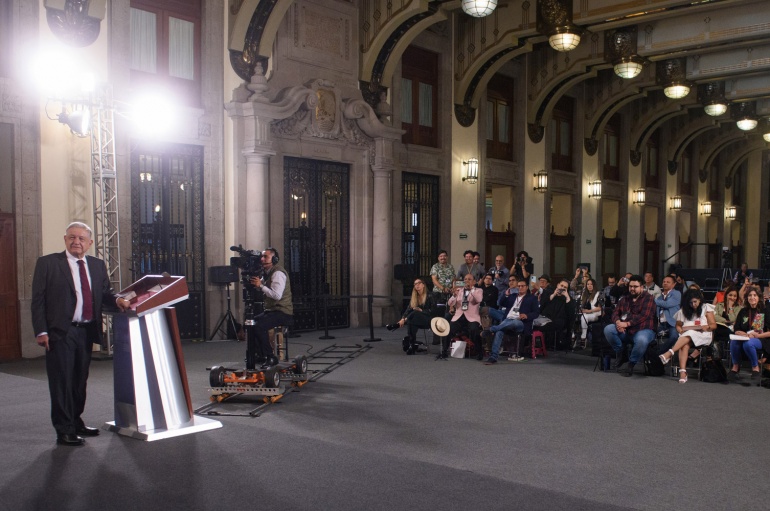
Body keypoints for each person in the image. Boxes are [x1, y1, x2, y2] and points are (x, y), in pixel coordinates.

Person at [31, 222, 131, 447]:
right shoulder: (48, 263)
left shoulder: (96, 265)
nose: (76, 242)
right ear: (65, 239)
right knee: (62, 382)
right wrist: (41, 330)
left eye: (81, 239)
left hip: (86, 332)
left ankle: (76, 422)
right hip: (60, 333)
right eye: (72, 237)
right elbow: (37, 300)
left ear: (90, 243)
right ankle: (64, 430)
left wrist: (118, 300)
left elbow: (105, 293)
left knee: (78, 381)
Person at [603, 274, 656, 377]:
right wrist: (618, 322)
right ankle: (621, 353)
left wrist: (626, 324)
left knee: (641, 340)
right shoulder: (625, 299)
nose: (632, 289)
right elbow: (615, 313)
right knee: (608, 329)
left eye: (635, 287)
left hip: (643, 329)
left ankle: (631, 364)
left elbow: (644, 316)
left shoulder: (648, 298)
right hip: (626, 331)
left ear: (642, 287)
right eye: (631, 286)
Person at [658, 289, 717, 383]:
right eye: (691, 302)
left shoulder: (706, 308)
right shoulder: (684, 310)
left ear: (699, 300)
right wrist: (680, 330)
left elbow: (714, 325)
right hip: (687, 336)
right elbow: (678, 325)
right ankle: (683, 373)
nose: (693, 304)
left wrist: (706, 327)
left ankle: (670, 353)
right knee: (685, 343)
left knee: (688, 334)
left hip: (704, 334)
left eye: (695, 302)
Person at [248, 247, 293, 369]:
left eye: (265, 257)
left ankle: (270, 357)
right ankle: (261, 355)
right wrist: (257, 284)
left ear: (274, 259)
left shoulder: (278, 273)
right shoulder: (267, 273)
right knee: (251, 323)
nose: (262, 259)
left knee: (259, 326)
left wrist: (261, 286)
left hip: (283, 311)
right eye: (261, 257)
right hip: (272, 311)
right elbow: (262, 286)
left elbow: (277, 295)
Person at [483, 280, 539, 364]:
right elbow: (500, 303)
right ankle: (493, 357)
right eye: (519, 286)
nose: (520, 288)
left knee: (514, 323)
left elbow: (536, 313)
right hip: (507, 320)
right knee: (499, 331)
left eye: (522, 286)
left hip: (521, 322)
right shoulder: (512, 296)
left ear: (527, 287)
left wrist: (527, 316)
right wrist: (505, 295)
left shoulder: (532, 298)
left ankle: (491, 329)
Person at [727, 287, 770, 382]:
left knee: (749, 343)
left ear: (759, 297)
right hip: (745, 337)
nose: (752, 297)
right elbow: (736, 329)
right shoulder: (743, 311)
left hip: (761, 339)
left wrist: (757, 335)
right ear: (747, 298)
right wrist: (744, 334)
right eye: (750, 295)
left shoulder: (765, 310)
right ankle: (735, 367)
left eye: (755, 295)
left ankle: (755, 368)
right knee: (734, 342)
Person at [438, 274, 483, 360]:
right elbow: (450, 303)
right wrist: (454, 295)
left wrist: (471, 290)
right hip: (459, 316)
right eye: (465, 279)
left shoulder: (478, 290)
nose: (467, 281)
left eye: (469, 279)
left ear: (474, 281)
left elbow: (478, 300)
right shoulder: (459, 290)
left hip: (472, 317)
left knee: (474, 330)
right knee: (448, 329)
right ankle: (444, 351)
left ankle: (479, 352)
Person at [386, 278, 435, 355]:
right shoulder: (414, 297)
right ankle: (412, 346)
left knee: (415, 312)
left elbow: (433, 311)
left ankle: (398, 325)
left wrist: (421, 311)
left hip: (428, 319)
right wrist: (403, 318)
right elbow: (408, 310)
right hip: (416, 320)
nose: (417, 285)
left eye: (419, 283)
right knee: (412, 321)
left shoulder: (430, 295)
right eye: (415, 284)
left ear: (423, 285)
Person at [535, 278, 575, 350]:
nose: (562, 288)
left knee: (553, 324)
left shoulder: (569, 299)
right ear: (557, 285)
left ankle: (546, 345)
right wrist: (553, 295)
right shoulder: (549, 294)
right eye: (561, 285)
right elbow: (542, 306)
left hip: (559, 320)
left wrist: (567, 297)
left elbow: (570, 314)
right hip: (545, 318)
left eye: (565, 287)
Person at [655, 275, 681, 349]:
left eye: (668, 282)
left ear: (674, 284)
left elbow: (667, 304)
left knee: (674, 337)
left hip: (673, 324)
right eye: (664, 282)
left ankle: (660, 354)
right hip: (661, 324)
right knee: (650, 336)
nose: (665, 283)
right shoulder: (660, 297)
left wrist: (653, 300)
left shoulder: (676, 293)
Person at [576, 278, 602, 349]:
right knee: (576, 317)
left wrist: (588, 311)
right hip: (585, 313)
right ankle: (573, 336)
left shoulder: (598, 294)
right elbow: (581, 305)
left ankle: (583, 337)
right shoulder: (584, 294)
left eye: (591, 284)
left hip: (595, 314)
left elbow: (600, 308)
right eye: (588, 284)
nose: (589, 286)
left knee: (584, 317)